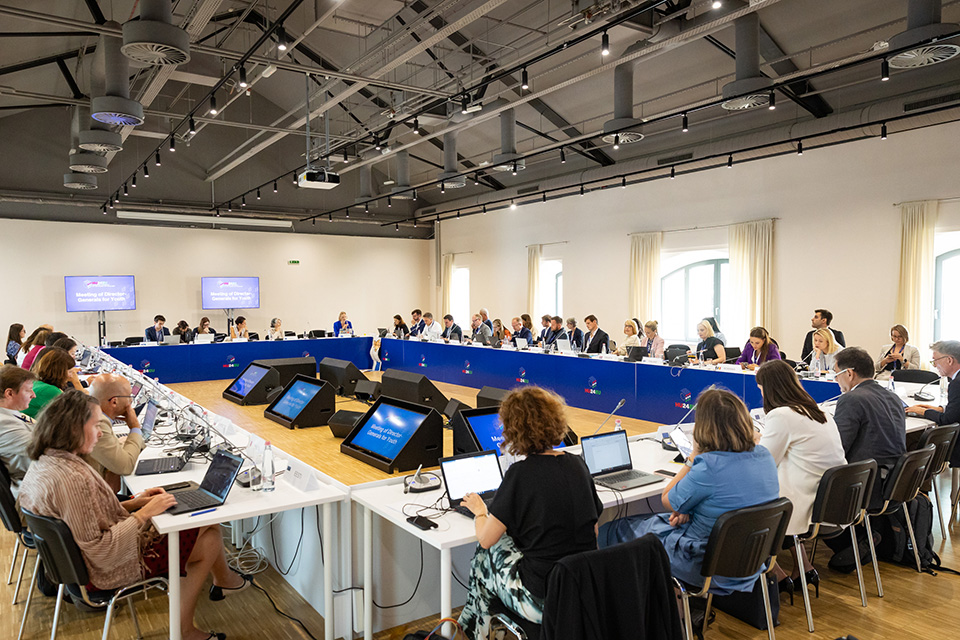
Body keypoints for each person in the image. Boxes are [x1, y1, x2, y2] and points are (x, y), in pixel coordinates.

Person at [18, 390, 248, 640]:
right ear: (73, 428)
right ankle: (187, 627)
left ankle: (222, 584)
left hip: (78, 562)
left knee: (207, 526)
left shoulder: (46, 461)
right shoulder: (72, 478)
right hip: (102, 571)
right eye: (96, 425)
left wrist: (136, 503)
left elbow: (89, 511)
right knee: (209, 538)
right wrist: (145, 513)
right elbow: (101, 550)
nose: (100, 433)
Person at [599, 388, 778, 597]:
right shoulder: (764, 455)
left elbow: (667, 499)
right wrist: (691, 511)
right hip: (750, 561)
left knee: (611, 530)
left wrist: (693, 456)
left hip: (704, 565)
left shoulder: (708, 465)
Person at [457, 386, 603, 639]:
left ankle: (473, 630)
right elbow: (594, 529)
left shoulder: (520, 474)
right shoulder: (577, 464)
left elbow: (486, 539)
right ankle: (475, 627)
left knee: (484, 556)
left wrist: (481, 511)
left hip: (541, 600)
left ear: (514, 430)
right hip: (581, 589)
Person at [755, 360, 846, 595]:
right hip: (829, 499)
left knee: (747, 496)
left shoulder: (781, 415)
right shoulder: (820, 411)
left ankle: (774, 570)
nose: (761, 393)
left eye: (761, 388)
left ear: (770, 388)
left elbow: (763, 462)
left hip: (804, 502)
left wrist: (753, 440)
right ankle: (804, 568)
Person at [833, 347, 906, 509]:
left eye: (837, 374)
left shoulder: (851, 399)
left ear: (849, 373)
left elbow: (838, 448)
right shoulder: (892, 397)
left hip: (866, 484)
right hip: (894, 482)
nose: (836, 380)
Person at [905, 340, 960, 474]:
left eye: (935, 360)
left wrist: (924, 412)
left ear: (949, 360)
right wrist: (940, 409)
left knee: (911, 440)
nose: (934, 365)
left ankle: (915, 488)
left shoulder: (957, 383)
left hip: (957, 444)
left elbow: (948, 420)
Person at [87, 373, 148, 491]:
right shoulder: (98, 423)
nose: (131, 401)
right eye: (129, 397)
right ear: (114, 402)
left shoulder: (89, 412)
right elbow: (125, 466)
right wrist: (135, 427)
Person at [0, 365, 37, 498]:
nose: (34, 395)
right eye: (29, 391)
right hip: (33, 491)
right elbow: (44, 449)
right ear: (9, 393)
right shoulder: (4, 423)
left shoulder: (13, 413)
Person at [24, 347, 82, 418]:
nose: (71, 375)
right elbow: (76, 413)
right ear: (59, 372)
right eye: (69, 371)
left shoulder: (37, 382)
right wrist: (76, 382)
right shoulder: (49, 390)